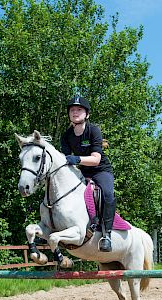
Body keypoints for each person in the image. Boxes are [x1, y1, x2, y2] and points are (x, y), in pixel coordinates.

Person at [61, 95, 115, 252]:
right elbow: (66, 159)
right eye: (72, 110)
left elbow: (96, 159)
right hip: (81, 171)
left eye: (79, 109)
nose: (75, 112)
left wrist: (76, 158)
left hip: (100, 170)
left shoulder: (93, 130)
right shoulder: (66, 135)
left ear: (87, 114)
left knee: (107, 193)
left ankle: (107, 235)